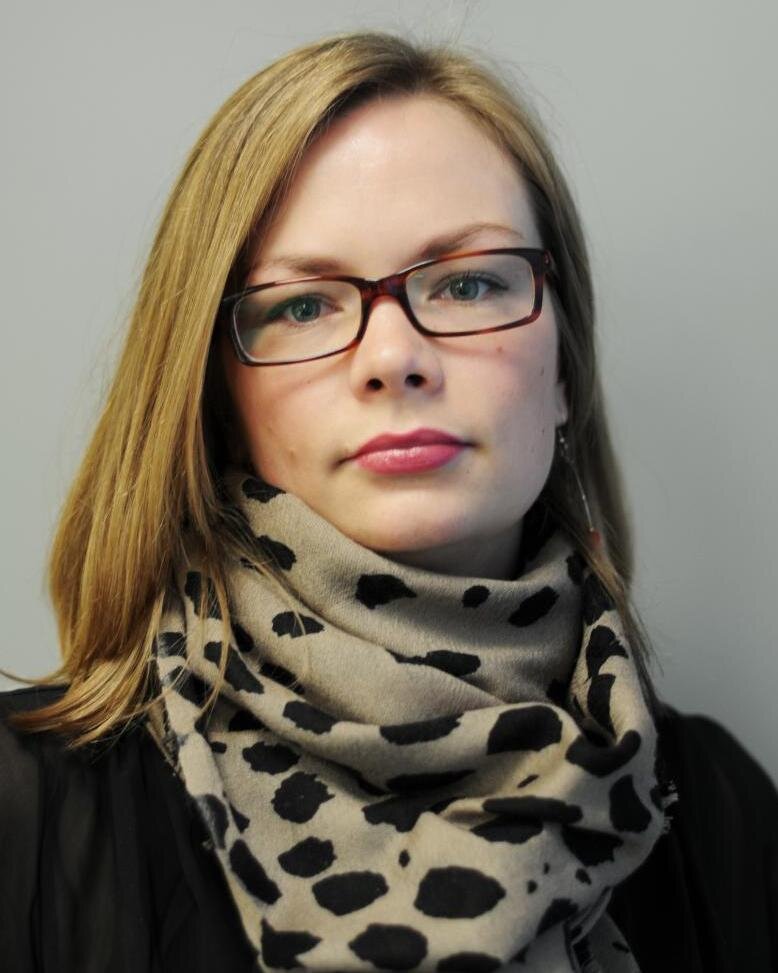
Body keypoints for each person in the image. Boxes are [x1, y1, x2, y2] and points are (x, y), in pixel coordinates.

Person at [0, 29, 775, 973]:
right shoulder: (26, 810)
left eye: (469, 283)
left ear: (564, 369)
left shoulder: (722, 810)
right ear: (219, 398)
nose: (394, 356)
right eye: (303, 305)